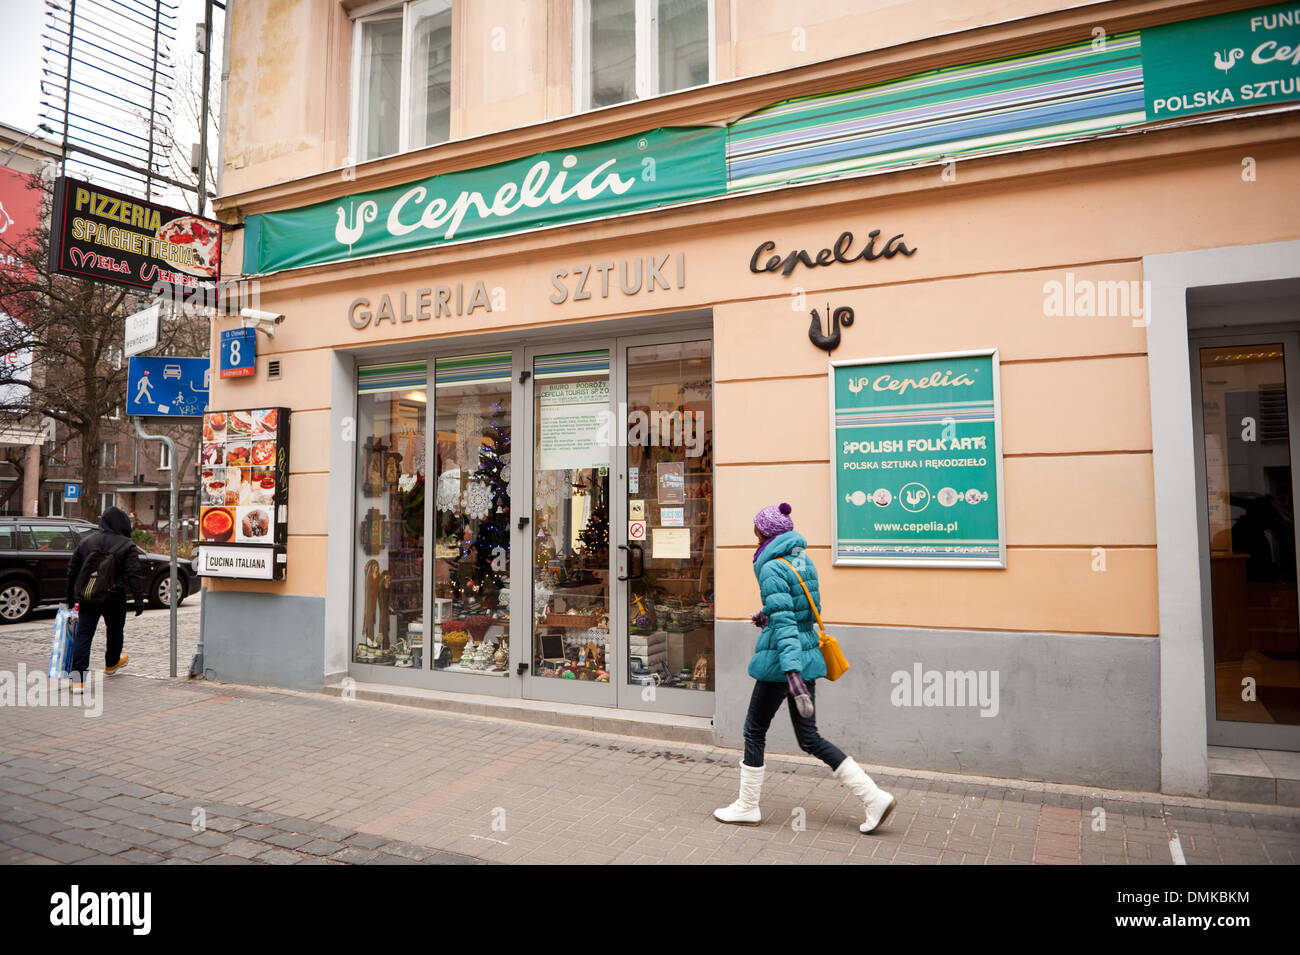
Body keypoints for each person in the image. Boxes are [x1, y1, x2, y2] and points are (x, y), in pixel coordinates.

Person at [714, 502, 896, 833]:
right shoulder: (802, 559)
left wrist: (791, 672)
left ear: (765, 533)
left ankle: (747, 806)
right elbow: (802, 612)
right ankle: (874, 797)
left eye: (756, 531)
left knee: (754, 730)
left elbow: (786, 623)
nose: (754, 537)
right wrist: (767, 615)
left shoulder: (770, 567)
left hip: (784, 663)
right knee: (809, 738)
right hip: (804, 655)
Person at [64, 506, 145, 692]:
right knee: (115, 630)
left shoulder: (86, 542)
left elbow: (72, 570)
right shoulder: (127, 545)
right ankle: (111, 663)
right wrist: (139, 600)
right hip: (115, 597)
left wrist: (70, 597)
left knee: (84, 635)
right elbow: (133, 573)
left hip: (89, 596)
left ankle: (78, 680)